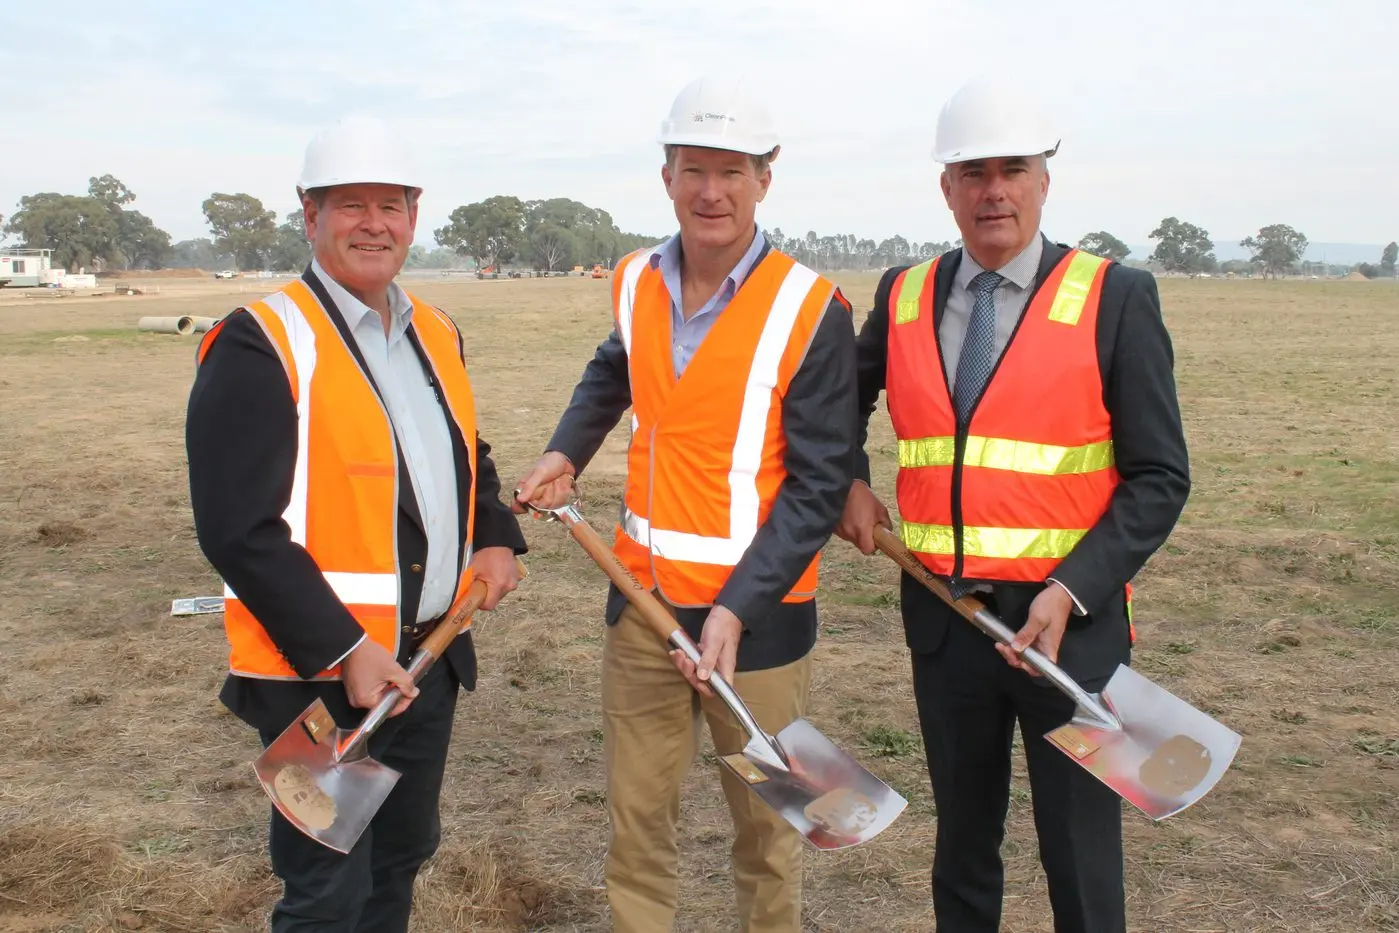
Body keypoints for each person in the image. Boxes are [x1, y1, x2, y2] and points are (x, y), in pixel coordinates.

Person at [835, 76, 1191, 933]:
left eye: (1012, 169)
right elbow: (837, 398)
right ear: (946, 187)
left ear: (1043, 179)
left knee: (1077, 850)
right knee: (962, 843)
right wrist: (846, 471)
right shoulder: (905, 293)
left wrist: (1069, 591)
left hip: (1070, 627)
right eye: (972, 172)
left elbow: (1159, 476)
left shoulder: (1115, 297)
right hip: (944, 614)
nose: (992, 189)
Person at [513, 76, 858, 933]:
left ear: (764, 178)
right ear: (665, 174)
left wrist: (738, 608)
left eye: (733, 171)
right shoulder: (634, 278)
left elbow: (820, 481)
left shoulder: (810, 307)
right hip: (641, 603)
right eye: (694, 169)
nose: (713, 191)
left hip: (762, 622)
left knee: (772, 832)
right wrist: (565, 450)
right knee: (637, 829)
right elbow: (610, 369)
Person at [185, 115, 527, 932]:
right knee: (326, 890)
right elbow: (236, 529)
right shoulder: (259, 341)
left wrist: (495, 531)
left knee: (401, 858)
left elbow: (458, 451)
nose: (374, 223)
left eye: (392, 204)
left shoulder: (435, 331)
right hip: (322, 680)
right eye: (350, 205)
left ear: (414, 216)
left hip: (428, 659)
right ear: (310, 216)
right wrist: (345, 649)